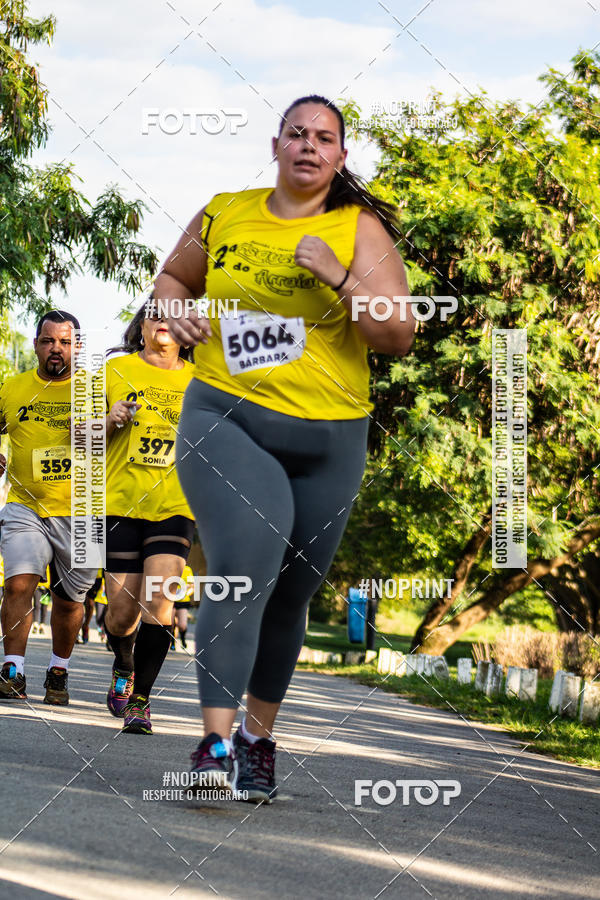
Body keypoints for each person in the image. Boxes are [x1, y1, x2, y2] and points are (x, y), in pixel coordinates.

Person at [154, 95, 415, 801]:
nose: (308, 145)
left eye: (323, 137)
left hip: (331, 436)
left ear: (340, 156)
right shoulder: (226, 211)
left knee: (292, 593)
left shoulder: (360, 230)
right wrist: (174, 307)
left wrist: (337, 272)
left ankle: (257, 740)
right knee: (244, 565)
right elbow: (172, 281)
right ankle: (211, 746)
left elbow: (396, 334)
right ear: (275, 145)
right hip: (226, 416)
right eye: (295, 133)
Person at [103, 302, 195, 734]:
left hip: (176, 507)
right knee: (121, 613)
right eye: (154, 313)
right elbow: (77, 434)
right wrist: (108, 420)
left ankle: (141, 702)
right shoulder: (113, 371)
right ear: (140, 327)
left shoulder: (202, 381)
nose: (162, 320)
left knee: (160, 602)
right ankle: (124, 662)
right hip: (121, 503)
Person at [0, 310, 98, 704]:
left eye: (65, 342)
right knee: (19, 582)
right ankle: (12, 669)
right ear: (36, 343)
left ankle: (59, 671)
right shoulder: (13, 388)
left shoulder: (94, 391)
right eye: (48, 341)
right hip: (25, 506)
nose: (55, 349)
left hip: (83, 509)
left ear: (77, 347)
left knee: (71, 600)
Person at [170, 563, 194, 650]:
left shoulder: (187, 569)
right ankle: (172, 643)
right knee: (171, 623)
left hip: (183, 601)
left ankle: (183, 640)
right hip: (170, 601)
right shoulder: (169, 568)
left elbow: (192, 586)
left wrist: (185, 594)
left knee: (182, 625)